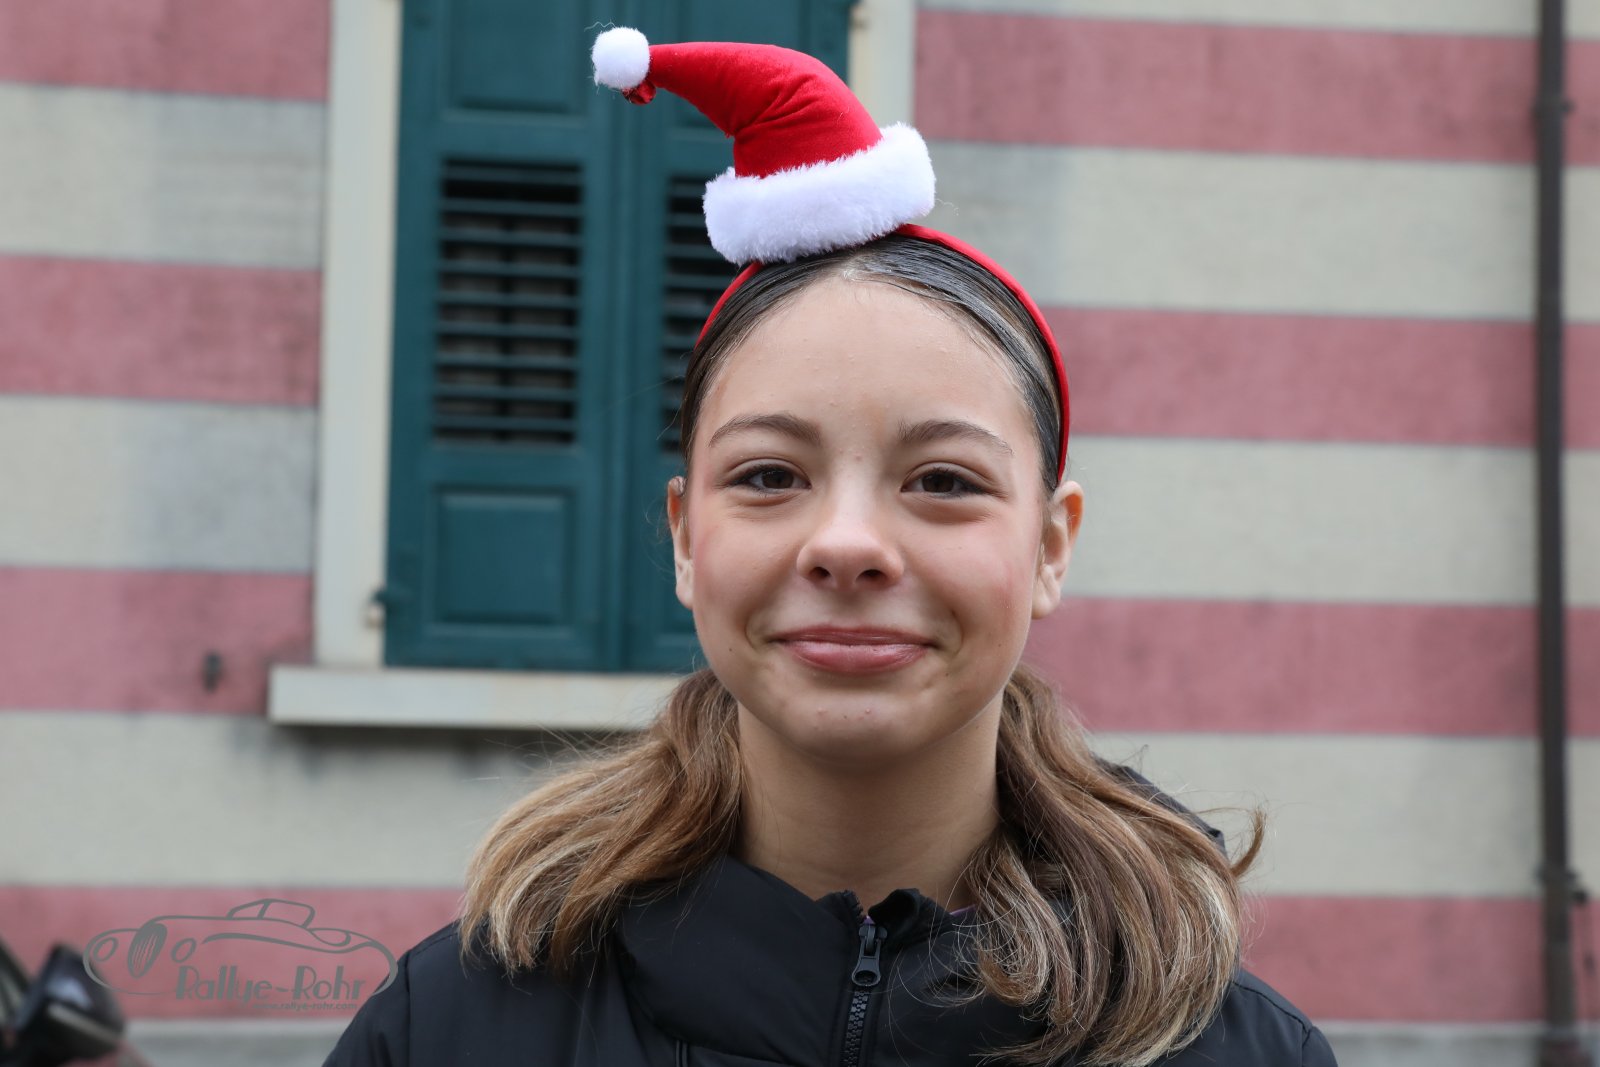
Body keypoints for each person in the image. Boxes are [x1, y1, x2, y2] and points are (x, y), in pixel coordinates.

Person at [323, 28, 1337, 1067]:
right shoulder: (446, 1027)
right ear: (686, 535)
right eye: (770, 475)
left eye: (942, 481)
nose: (847, 546)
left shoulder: (1244, 1051)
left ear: (1049, 546)